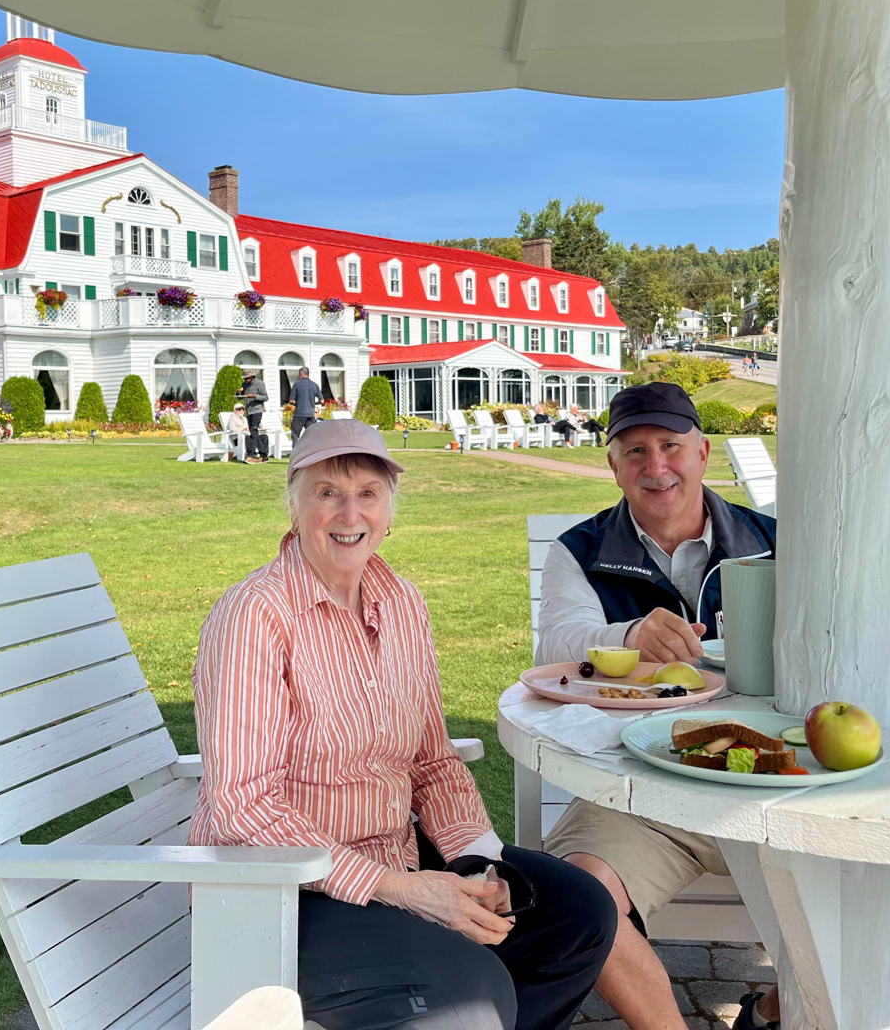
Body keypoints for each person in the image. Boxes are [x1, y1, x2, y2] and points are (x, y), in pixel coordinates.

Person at [191, 419, 617, 1030]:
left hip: (396, 859)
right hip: (280, 892)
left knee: (578, 913)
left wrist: (480, 864)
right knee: (466, 995)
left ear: (390, 508)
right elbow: (240, 803)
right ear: (294, 504)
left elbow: (431, 762)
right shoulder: (254, 616)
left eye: (368, 492)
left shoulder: (402, 604)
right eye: (327, 492)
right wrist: (404, 889)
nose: (350, 511)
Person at [537, 382, 780, 1030]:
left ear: (703, 452)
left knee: (875, 876)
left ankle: (775, 1011)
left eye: (670, 446)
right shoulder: (580, 552)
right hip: (641, 793)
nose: (656, 466)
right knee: (576, 896)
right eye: (635, 450)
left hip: (777, 785)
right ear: (612, 464)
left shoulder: (773, 542)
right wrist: (627, 636)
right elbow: (556, 642)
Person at [239, 369, 270, 462]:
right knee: (254, 433)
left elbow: (265, 397)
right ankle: (263, 455)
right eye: (245, 378)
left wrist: (254, 396)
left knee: (253, 432)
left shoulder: (260, 384)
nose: (246, 380)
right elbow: (241, 398)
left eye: (247, 378)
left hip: (257, 410)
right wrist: (239, 392)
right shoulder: (244, 385)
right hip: (248, 411)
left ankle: (252, 455)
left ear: (252, 377)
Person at [290, 365, 323, 439]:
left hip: (299, 414)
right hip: (311, 415)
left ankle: (296, 450)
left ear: (301, 374)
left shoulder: (297, 384)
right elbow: (322, 400)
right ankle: (312, 450)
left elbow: (291, 400)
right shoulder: (314, 385)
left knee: (295, 435)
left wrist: (297, 403)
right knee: (311, 436)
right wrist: (312, 403)